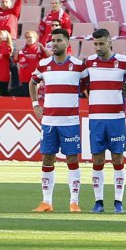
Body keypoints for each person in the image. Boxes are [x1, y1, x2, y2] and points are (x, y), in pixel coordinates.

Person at [29, 29, 86, 214]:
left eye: (59, 40)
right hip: (49, 122)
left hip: (70, 122)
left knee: (72, 159)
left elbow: (88, 86)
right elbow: (32, 82)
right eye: (53, 40)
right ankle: (46, 202)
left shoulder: (78, 66)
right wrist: (35, 104)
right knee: (47, 158)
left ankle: (74, 202)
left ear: (67, 43)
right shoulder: (44, 64)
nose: (54, 43)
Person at [81, 28, 126, 214]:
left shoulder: (124, 62)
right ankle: (98, 201)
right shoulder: (89, 62)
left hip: (116, 118)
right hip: (96, 118)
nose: (98, 47)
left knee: (118, 158)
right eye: (95, 44)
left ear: (110, 43)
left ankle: (118, 201)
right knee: (98, 159)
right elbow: (83, 84)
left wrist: (123, 94)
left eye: (101, 43)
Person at [15, 31, 44, 97]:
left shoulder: (39, 49)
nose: (28, 39)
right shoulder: (22, 49)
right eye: (27, 37)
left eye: (30, 37)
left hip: (35, 78)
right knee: (26, 98)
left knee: (35, 98)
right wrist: (18, 51)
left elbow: (48, 57)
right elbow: (15, 60)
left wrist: (42, 47)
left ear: (35, 38)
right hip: (24, 78)